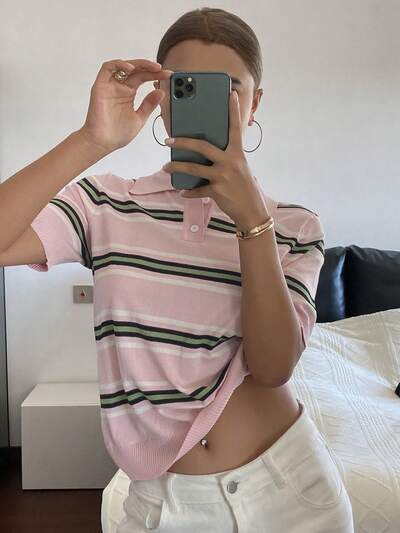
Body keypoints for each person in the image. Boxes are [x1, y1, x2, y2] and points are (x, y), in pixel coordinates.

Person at [0, 7, 354, 533]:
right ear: (162, 98)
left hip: (291, 496)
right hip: (163, 503)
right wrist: (91, 140)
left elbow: (274, 366)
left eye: (228, 89)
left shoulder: (293, 226)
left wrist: (252, 222)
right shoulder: (105, 204)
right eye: (185, 86)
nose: (208, 101)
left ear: (255, 103)